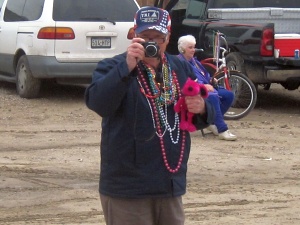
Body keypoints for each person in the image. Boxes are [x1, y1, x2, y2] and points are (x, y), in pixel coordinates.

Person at [85, 6, 215, 225]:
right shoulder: (114, 66)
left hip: (169, 183)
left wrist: (201, 107)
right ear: (134, 35)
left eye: (158, 37)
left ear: (168, 37)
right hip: (128, 187)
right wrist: (127, 67)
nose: (152, 43)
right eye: (145, 37)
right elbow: (98, 103)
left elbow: (201, 116)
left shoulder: (179, 67)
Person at [177, 35, 237, 141]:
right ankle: (222, 129)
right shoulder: (179, 62)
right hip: (192, 90)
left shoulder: (195, 61)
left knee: (228, 95)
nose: (193, 50)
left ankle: (210, 121)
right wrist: (202, 86)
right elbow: (184, 81)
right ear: (182, 49)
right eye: (190, 47)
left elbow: (205, 74)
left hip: (206, 87)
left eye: (193, 47)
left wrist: (210, 80)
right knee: (212, 96)